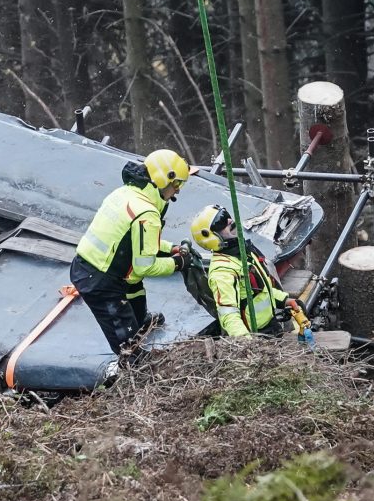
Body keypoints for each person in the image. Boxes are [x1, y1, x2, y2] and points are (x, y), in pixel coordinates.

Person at [70, 149, 191, 355]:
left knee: (134, 286)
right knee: (129, 350)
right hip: (101, 282)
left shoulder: (126, 192)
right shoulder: (147, 212)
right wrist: (177, 263)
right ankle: (131, 358)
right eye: (177, 184)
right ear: (165, 179)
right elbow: (145, 266)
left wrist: (169, 248)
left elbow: (138, 240)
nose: (178, 191)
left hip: (93, 265)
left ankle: (138, 320)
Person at [189, 204, 289, 338]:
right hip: (255, 335)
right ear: (212, 236)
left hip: (271, 326)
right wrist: (246, 341)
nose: (230, 221)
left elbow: (262, 292)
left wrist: (285, 300)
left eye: (227, 215)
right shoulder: (222, 271)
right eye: (220, 222)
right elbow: (228, 314)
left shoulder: (244, 253)